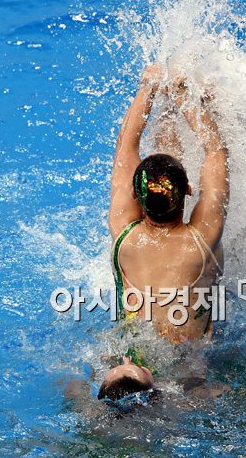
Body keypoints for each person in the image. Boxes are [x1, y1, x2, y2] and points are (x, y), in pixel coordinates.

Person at [98, 64, 229, 403]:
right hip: (190, 367)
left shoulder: (124, 233)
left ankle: (167, 111)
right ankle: (181, 106)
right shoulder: (201, 241)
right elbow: (216, 151)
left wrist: (149, 86)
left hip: (136, 362)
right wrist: (187, 97)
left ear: (135, 199)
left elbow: (127, 143)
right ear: (189, 191)